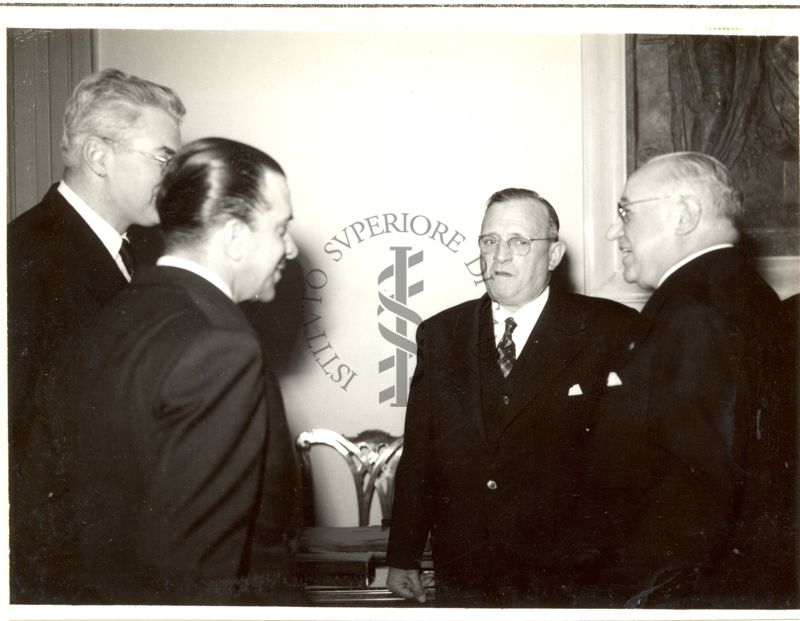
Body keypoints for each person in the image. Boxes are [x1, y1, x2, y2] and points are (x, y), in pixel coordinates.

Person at [31, 137, 304, 604]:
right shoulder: (223, 347)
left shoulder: (102, 323)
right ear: (235, 237)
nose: (292, 249)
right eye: (280, 229)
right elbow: (197, 575)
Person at [386, 188, 638, 607]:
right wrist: (403, 555)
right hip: (467, 573)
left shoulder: (608, 330)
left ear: (554, 255)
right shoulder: (441, 334)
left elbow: (628, 469)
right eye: (489, 241)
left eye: (519, 242)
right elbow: (420, 454)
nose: (500, 255)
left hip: (569, 580)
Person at [587, 151, 797, 607]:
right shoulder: (738, 293)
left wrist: (644, 598)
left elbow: (699, 491)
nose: (612, 231)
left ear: (683, 214)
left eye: (625, 212)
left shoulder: (694, 311)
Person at [8, 68, 185, 600]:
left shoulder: (144, 251)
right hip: (69, 570)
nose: (175, 178)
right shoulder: (23, 258)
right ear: (98, 156)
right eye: (163, 158)